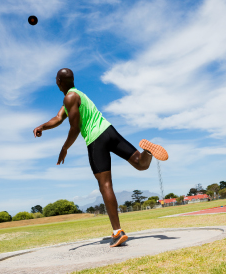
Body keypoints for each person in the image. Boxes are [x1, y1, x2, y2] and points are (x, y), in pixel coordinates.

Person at [33, 68, 168, 247]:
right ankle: (148, 152)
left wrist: (64, 148)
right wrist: (42, 126)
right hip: (109, 131)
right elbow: (58, 118)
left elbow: (74, 127)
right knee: (141, 164)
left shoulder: (69, 98)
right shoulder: (77, 95)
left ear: (58, 81)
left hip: (96, 140)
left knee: (105, 186)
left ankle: (117, 231)